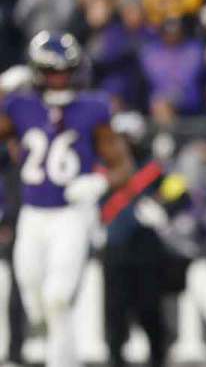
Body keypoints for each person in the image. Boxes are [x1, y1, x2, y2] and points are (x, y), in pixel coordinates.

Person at [0, 32, 133, 367]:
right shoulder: (19, 105)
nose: (59, 79)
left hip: (71, 215)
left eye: (65, 71)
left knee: (58, 298)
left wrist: (99, 182)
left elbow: (123, 166)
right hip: (32, 215)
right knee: (36, 305)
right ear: (36, 72)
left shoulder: (92, 108)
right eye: (51, 71)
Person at [100, 112, 189, 367]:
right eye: (119, 138)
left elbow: (182, 194)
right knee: (115, 313)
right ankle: (115, 359)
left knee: (150, 310)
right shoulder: (104, 168)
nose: (123, 143)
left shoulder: (154, 169)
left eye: (128, 137)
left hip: (146, 249)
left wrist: (163, 210)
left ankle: (158, 358)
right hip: (115, 248)